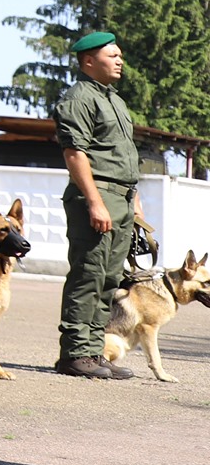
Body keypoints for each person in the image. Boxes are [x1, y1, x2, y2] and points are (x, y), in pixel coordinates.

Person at [54, 31, 144, 381]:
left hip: (120, 197)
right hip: (97, 194)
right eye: (113, 55)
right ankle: (75, 353)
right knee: (87, 275)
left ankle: (93, 351)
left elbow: (125, 157)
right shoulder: (79, 98)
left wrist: (134, 205)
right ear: (89, 61)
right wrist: (94, 201)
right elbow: (75, 153)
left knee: (108, 279)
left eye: (120, 54)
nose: (120, 60)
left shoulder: (115, 101)